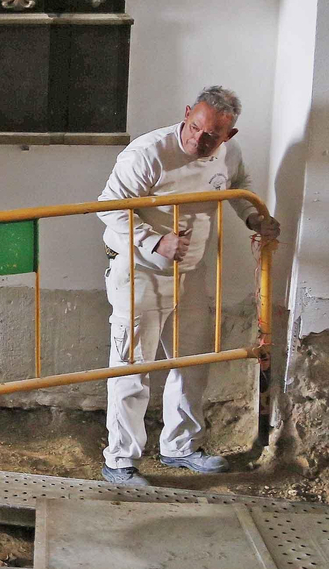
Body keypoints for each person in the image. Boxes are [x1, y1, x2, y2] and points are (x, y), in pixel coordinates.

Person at [96, 86, 280, 486]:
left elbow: (239, 185)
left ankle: (180, 447)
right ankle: (120, 460)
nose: (199, 139)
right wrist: (153, 241)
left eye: (212, 136)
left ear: (228, 135)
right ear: (186, 114)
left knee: (192, 362)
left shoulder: (228, 153)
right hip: (140, 270)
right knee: (132, 367)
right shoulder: (148, 154)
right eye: (195, 127)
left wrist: (253, 217)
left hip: (192, 271)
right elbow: (109, 206)